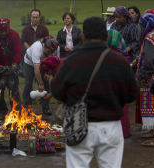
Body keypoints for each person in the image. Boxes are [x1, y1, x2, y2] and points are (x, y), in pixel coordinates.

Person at [51, 17, 139, 168]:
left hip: (78, 123)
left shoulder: (71, 62)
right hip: (110, 126)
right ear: (106, 36)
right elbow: (132, 94)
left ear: (83, 36)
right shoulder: (121, 62)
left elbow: (57, 91)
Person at [0, 18, 22, 120]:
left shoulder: (14, 35)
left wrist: (15, 63)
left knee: (14, 89)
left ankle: (16, 111)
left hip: (11, 66)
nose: (3, 33)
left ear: (9, 28)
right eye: (1, 31)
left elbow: (18, 51)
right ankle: (1, 111)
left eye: (5, 31)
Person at [23, 36, 58, 115]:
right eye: (49, 51)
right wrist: (40, 83)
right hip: (30, 62)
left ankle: (46, 108)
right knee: (28, 83)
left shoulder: (55, 48)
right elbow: (36, 69)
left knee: (46, 83)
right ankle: (26, 108)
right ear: (44, 46)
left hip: (43, 61)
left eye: (52, 52)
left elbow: (52, 62)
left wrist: (46, 73)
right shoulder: (37, 48)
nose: (50, 53)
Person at [107, 29, 131, 138]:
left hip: (110, 87)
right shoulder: (124, 54)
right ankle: (124, 132)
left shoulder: (108, 52)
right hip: (122, 87)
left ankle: (112, 134)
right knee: (123, 109)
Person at [135, 10, 154, 147]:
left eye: (142, 26)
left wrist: (140, 75)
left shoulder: (150, 38)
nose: (141, 29)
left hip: (151, 79)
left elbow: (148, 62)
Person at [21, 9, 49, 92]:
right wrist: (30, 50)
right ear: (30, 18)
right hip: (29, 58)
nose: (35, 19)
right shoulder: (25, 29)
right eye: (33, 17)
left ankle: (45, 101)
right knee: (28, 82)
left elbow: (47, 41)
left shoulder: (44, 29)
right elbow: (23, 41)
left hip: (41, 58)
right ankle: (27, 102)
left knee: (44, 80)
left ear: (39, 18)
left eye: (36, 17)